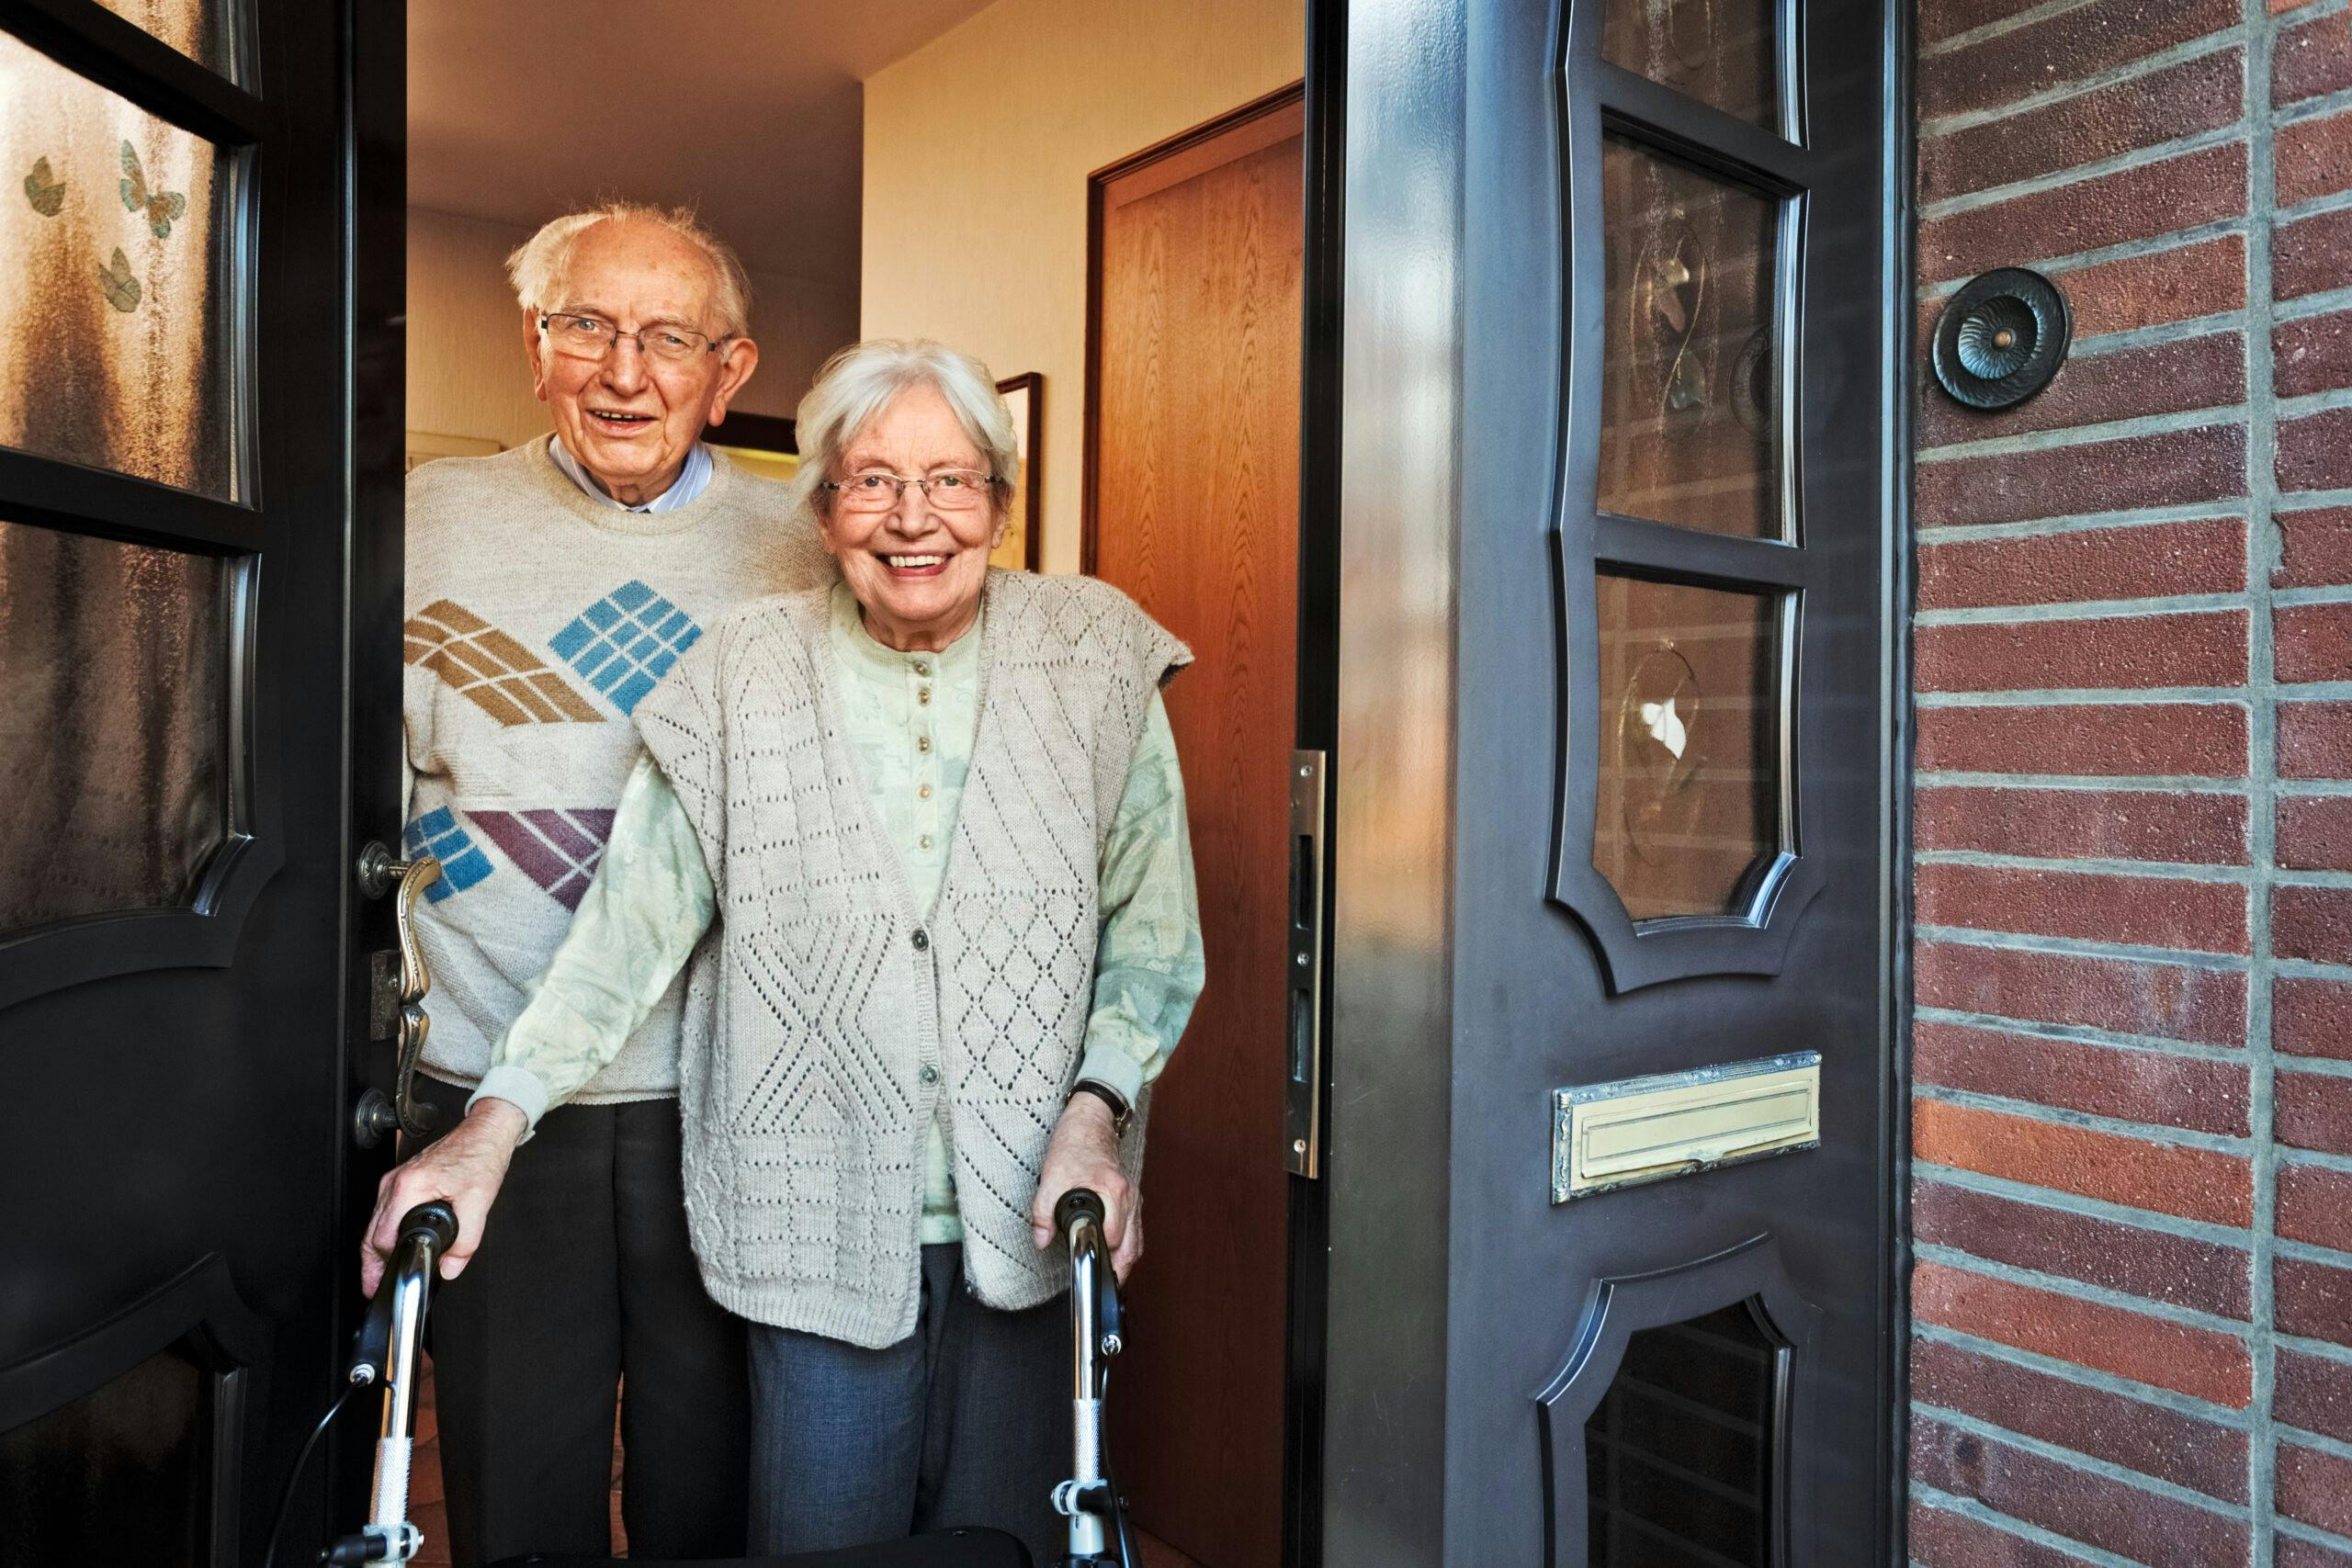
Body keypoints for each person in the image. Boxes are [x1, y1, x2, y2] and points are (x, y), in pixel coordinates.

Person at [381, 338, 1204, 1561]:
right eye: (871, 480)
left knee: (1009, 1544)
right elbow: (628, 932)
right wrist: (490, 1126)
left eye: (951, 480)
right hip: (811, 1220)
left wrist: (1099, 1108)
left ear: (998, 500)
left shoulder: (1095, 655)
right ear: (821, 510)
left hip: (1037, 1213)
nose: (913, 518)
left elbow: (1154, 930)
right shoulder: (739, 675)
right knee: (822, 1542)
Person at [369, 200, 831, 1565]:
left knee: (716, 1485)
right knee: (518, 1484)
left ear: (730, 371)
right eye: (586, 327)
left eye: (666, 338)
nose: (624, 373)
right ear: (533, 345)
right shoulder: (416, 521)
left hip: (727, 1089)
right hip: (491, 1084)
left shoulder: (804, 546)